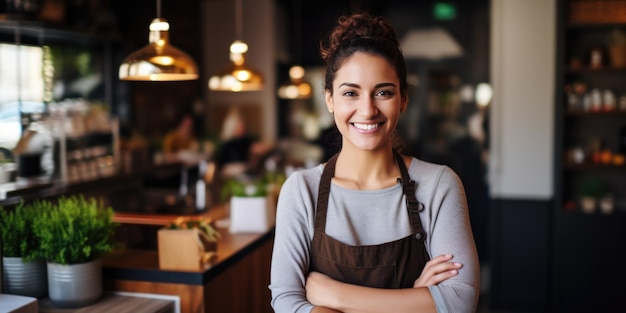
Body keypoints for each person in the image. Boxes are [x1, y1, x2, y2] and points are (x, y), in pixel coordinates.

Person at [269, 12, 479, 313]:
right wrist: (416, 300)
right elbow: (285, 302)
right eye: (350, 93)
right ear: (330, 99)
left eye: (383, 92)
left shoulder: (439, 185)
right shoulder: (301, 192)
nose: (367, 110)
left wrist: (333, 295)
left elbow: (460, 302)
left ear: (403, 100)